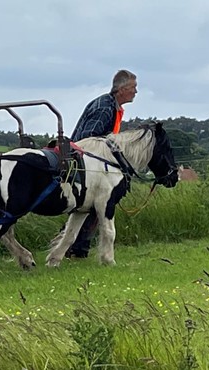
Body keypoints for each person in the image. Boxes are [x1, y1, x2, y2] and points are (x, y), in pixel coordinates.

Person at [66, 69, 138, 258]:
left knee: (90, 211)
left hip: (90, 164)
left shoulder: (112, 106)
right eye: (133, 87)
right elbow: (88, 139)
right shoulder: (105, 108)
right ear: (121, 89)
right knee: (90, 208)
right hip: (86, 165)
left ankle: (75, 248)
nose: (136, 92)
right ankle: (75, 249)